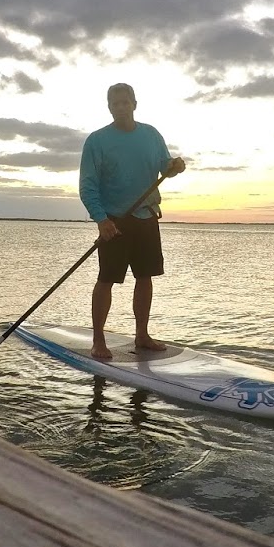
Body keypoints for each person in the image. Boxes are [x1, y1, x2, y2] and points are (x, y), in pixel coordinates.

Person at [77, 83, 186, 359]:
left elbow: (164, 166)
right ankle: (98, 340)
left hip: (147, 217)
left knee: (145, 276)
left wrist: (174, 166)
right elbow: (88, 186)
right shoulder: (97, 140)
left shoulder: (151, 135)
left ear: (134, 104)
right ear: (109, 107)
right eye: (115, 103)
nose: (121, 107)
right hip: (114, 221)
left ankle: (142, 335)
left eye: (125, 102)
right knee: (107, 279)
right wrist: (101, 219)